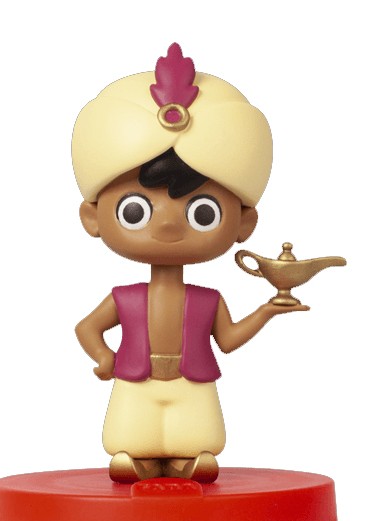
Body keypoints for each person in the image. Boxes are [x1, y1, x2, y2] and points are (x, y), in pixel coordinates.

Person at [72, 44, 307, 483]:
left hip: (192, 382)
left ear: (244, 223)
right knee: (131, 432)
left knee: (197, 434)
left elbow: (228, 340)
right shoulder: (125, 298)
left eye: (203, 213)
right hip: (136, 380)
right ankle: (138, 460)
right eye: (136, 211)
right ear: (92, 218)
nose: (167, 224)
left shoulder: (207, 301)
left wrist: (267, 310)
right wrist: (104, 357)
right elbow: (87, 327)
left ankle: (185, 461)